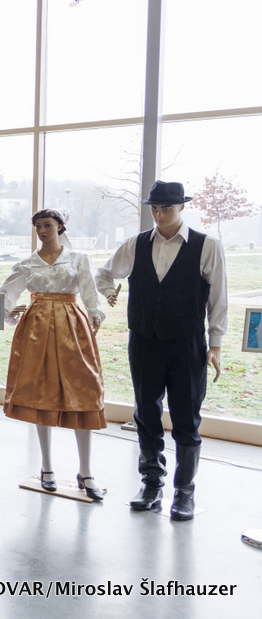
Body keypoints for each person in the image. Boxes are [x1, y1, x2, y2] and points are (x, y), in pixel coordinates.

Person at [96, 181, 227, 520]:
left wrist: (215, 344)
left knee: (186, 418)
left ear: (182, 207)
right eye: (154, 208)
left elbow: (218, 298)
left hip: (187, 344)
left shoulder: (207, 246)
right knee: (146, 414)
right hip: (144, 340)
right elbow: (104, 273)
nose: (159, 214)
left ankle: (184, 492)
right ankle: (151, 484)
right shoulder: (136, 244)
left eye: (166, 208)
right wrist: (109, 291)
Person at [0, 209, 107, 500]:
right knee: (40, 392)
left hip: (72, 327)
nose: (42, 231)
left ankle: (86, 471)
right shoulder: (27, 264)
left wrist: (95, 314)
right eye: (38, 226)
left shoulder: (78, 259)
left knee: (84, 393)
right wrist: (9, 311)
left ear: (60, 227)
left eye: (48, 225)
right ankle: (46, 468)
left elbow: (90, 291)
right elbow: (5, 292)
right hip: (37, 328)